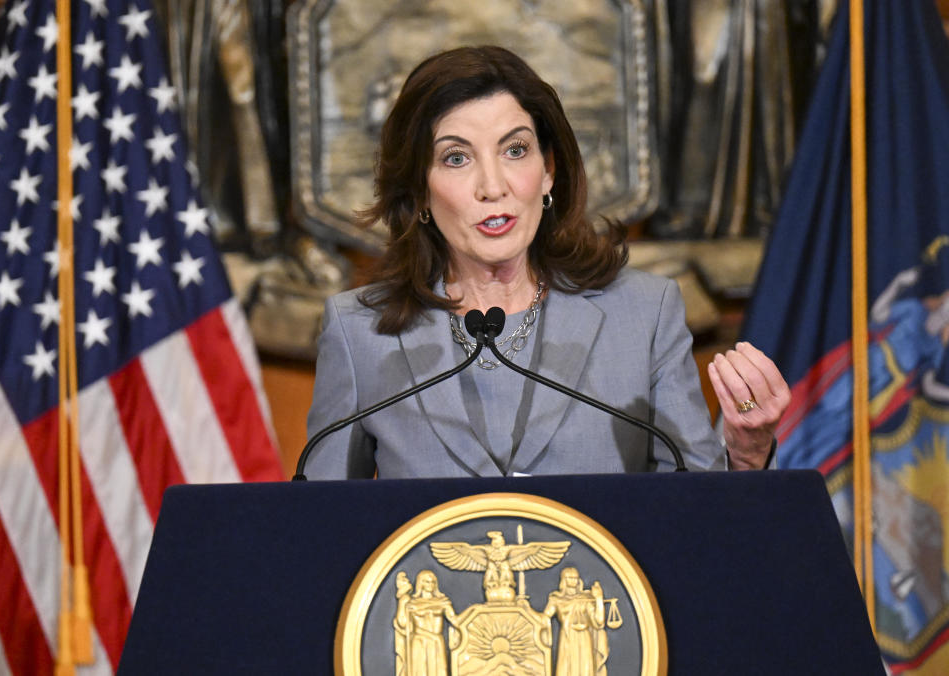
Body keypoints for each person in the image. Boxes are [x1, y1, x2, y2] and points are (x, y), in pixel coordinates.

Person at [302, 46, 789, 479]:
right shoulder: (359, 332)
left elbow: (697, 518)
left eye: (515, 150)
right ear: (418, 189)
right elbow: (323, 530)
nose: (493, 186)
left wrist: (747, 455)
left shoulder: (644, 314)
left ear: (549, 170)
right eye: (456, 158)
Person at [543, 567, 609, 676]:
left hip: (584, 637)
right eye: (570, 577)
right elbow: (544, 617)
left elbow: (599, 621)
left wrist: (598, 599)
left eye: (575, 578)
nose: (573, 580)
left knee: (585, 666)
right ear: (564, 580)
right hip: (567, 636)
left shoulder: (586, 599)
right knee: (566, 666)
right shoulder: (557, 599)